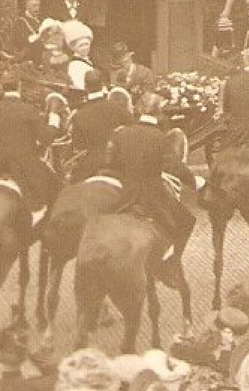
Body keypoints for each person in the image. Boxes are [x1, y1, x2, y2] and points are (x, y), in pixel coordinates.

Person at [104, 92, 190, 259]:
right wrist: (195, 182)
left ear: (139, 110)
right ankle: (171, 260)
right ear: (159, 113)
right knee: (185, 222)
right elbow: (174, 166)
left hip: (126, 192)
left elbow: (110, 163)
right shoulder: (160, 137)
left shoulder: (123, 133)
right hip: (152, 193)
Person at [0, 71, 58, 213]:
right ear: (19, 86)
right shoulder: (28, 110)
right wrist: (54, 116)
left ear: (1, 86)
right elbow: (47, 138)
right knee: (50, 197)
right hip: (26, 167)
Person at [67, 71, 125, 180]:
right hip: (118, 161)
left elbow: (79, 144)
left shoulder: (79, 114)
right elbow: (131, 128)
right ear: (102, 85)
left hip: (92, 165)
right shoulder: (117, 107)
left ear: (85, 87)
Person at [8, 0, 48, 64]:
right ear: (27, 7)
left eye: (38, 6)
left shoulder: (40, 21)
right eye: (34, 6)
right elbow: (20, 42)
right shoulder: (20, 22)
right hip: (28, 57)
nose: (37, 8)